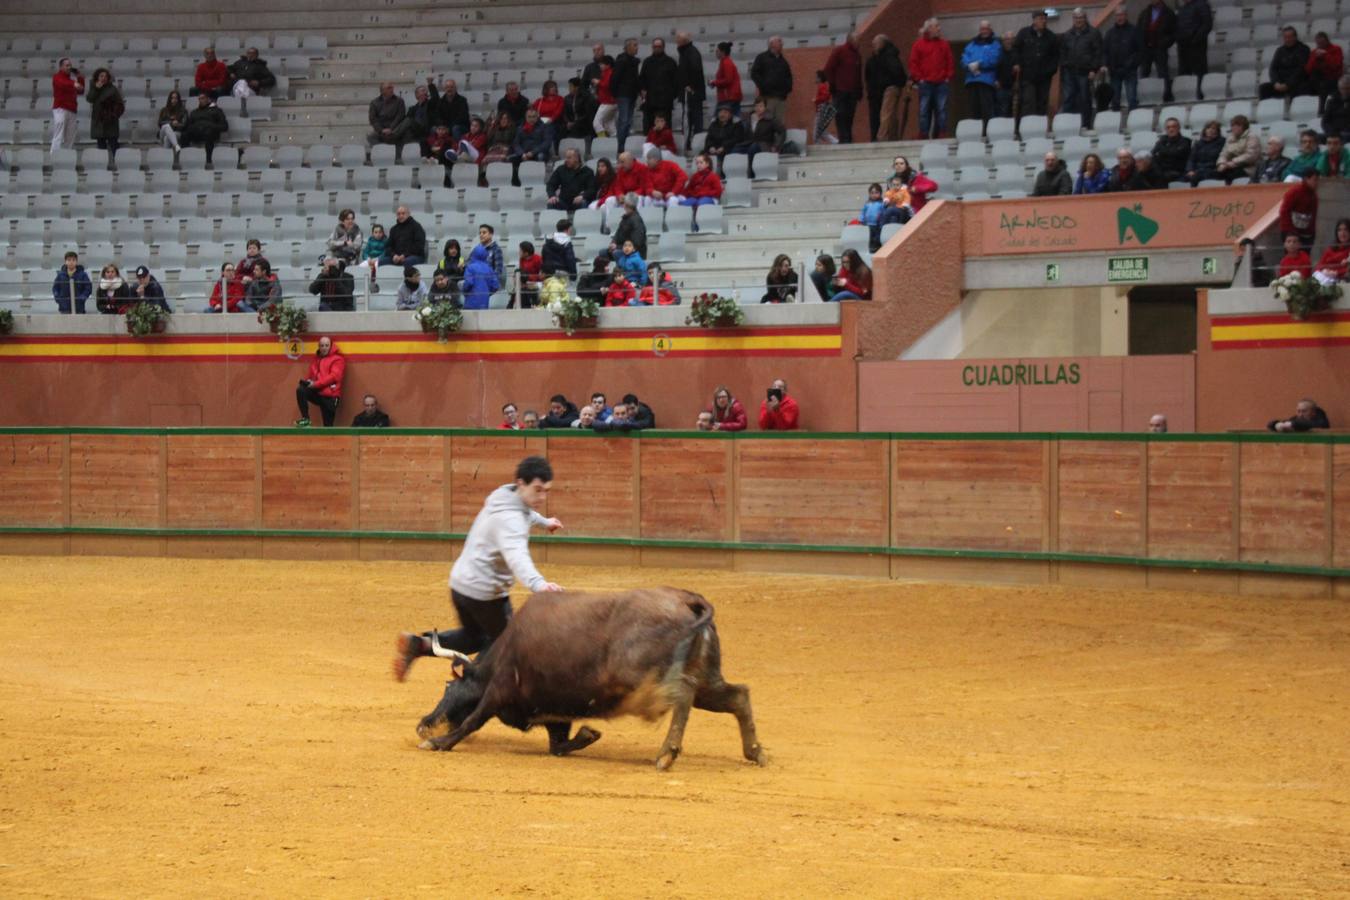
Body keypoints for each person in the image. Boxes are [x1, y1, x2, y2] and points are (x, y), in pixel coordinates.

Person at [392, 454, 564, 680]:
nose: (541, 496)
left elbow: (526, 512)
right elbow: (517, 556)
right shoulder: (511, 520)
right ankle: (470, 686)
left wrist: (545, 522)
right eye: (538, 489)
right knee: (508, 644)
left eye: (546, 491)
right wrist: (538, 584)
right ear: (521, 484)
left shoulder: (504, 496)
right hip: (485, 595)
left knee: (474, 637)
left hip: (460, 586)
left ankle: (420, 644)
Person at [1059, 8, 1103, 130]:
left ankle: (1085, 124)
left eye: (1081, 18)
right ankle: (1066, 125)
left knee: (1085, 99)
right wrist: (1065, 64)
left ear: (1085, 18)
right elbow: (1062, 52)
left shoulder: (1094, 33)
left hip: (1086, 72)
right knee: (1068, 98)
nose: (1078, 20)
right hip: (1069, 72)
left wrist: (1094, 69)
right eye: (1076, 18)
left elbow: (1098, 53)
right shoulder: (1067, 35)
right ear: (1073, 19)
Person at [1012, 10, 1060, 118]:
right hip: (1027, 76)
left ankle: (1040, 126)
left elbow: (1055, 56)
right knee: (1028, 101)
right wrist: (1017, 63)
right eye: (1041, 19)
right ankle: (1027, 127)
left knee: (1042, 102)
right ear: (1034, 20)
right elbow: (1015, 49)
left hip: (1044, 77)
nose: (1043, 21)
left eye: (1044, 19)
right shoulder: (1024, 33)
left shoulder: (1051, 37)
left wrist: (1051, 70)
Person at [961, 21, 1002, 137]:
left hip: (986, 81)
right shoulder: (971, 44)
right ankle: (975, 133)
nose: (984, 31)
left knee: (987, 109)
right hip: (971, 81)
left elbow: (994, 59)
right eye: (982, 29)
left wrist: (979, 64)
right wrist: (969, 65)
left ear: (990, 29)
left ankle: (988, 132)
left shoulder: (995, 44)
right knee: (974, 110)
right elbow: (964, 58)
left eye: (986, 29)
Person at [294, 336, 345, 428]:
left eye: (326, 345)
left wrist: (315, 384)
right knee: (301, 390)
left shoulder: (338, 359)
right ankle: (306, 419)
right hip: (318, 393)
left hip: (331, 397)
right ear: (319, 347)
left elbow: (334, 377)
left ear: (331, 346)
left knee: (328, 427)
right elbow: (311, 375)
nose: (324, 348)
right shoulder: (316, 359)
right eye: (322, 345)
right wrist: (308, 382)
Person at [866, 34, 907, 142]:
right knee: (891, 115)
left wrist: (891, 82)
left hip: (890, 88)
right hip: (889, 88)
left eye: (875, 44)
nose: (873, 46)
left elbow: (896, 71)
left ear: (882, 43)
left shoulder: (887, 56)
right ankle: (893, 137)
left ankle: (881, 137)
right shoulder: (889, 55)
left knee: (886, 114)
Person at [823, 31, 863, 143]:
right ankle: (843, 138)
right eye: (857, 40)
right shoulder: (839, 51)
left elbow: (858, 74)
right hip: (840, 90)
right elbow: (828, 68)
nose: (859, 43)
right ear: (850, 40)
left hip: (853, 91)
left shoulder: (857, 55)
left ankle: (848, 138)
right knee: (841, 115)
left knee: (850, 116)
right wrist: (833, 84)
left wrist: (860, 89)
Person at [1102, 7, 1142, 112]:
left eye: (1122, 15)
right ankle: (1116, 124)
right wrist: (1105, 64)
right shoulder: (1109, 33)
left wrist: (1133, 63)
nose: (1120, 17)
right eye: (1117, 15)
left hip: (1130, 71)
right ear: (1115, 17)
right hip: (1114, 71)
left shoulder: (1134, 31)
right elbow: (1105, 51)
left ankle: (1134, 121)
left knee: (1132, 98)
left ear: (1126, 15)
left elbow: (1140, 51)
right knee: (1115, 100)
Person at [1137, 0, 1177, 103]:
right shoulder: (1145, 13)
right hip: (1146, 49)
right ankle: (1142, 96)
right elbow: (1139, 30)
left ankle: (1166, 96)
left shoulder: (1169, 13)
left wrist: (1164, 43)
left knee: (1163, 73)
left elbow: (1173, 32)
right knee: (1144, 72)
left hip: (1160, 48)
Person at [733, 98, 784, 178]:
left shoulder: (770, 119)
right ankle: (735, 175)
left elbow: (782, 132)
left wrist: (776, 146)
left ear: (765, 107)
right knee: (735, 150)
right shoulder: (749, 118)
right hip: (750, 142)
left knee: (753, 148)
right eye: (756, 106)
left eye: (760, 106)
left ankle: (751, 174)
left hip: (764, 144)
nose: (758, 108)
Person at [639, 37, 680, 131]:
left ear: (663, 47)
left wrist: (671, 95)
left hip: (665, 102)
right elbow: (642, 79)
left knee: (665, 128)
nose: (657, 48)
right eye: (655, 46)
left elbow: (676, 81)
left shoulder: (671, 62)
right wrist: (643, 90)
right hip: (650, 101)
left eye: (659, 46)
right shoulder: (647, 62)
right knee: (649, 127)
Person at [751, 36, 793, 126]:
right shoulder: (761, 58)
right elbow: (754, 73)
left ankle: (778, 140)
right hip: (767, 98)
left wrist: (787, 89)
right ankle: (766, 140)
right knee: (766, 123)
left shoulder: (783, 61)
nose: (782, 44)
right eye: (779, 42)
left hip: (781, 99)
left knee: (779, 124)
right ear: (771, 44)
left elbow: (789, 77)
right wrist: (763, 87)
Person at [1261, 27, 1312, 101]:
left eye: (1289, 37)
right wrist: (1276, 82)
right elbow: (1273, 68)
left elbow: (1301, 70)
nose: (1287, 40)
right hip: (1281, 83)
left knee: (1303, 87)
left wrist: (1288, 84)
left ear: (1295, 37)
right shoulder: (1280, 51)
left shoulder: (1304, 49)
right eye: (1285, 37)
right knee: (1263, 88)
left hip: (1297, 83)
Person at [1175, 0, 1212, 100]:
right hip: (1183, 46)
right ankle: (1185, 96)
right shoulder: (1183, 8)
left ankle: (1200, 96)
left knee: (1199, 72)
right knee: (1184, 72)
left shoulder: (1202, 5)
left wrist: (1195, 39)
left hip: (1197, 45)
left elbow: (1207, 24)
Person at [675, 32, 705, 146]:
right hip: (688, 92)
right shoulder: (685, 52)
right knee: (688, 119)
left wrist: (691, 86)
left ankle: (697, 144)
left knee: (694, 119)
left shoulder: (691, 52)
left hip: (692, 93)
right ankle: (688, 143)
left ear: (684, 41)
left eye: (678, 39)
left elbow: (696, 70)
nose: (676, 41)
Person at [50, 58, 85, 154]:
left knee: (70, 136)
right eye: (67, 65)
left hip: (72, 109)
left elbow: (81, 90)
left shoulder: (72, 80)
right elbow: (62, 84)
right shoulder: (57, 77)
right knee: (59, 134)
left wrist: (80, 77)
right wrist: (75, 83)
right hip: (60, 108)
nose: (69, 67)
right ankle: (54, 156)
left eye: (70, 65)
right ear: (61, 67)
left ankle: (66, 157)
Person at [612, 38, 642, 148]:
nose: (637, 47)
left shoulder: (634, 62)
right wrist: (615, 93)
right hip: (623, 94)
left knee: (628, 121)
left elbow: (636, 78)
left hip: (632, 94)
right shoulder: (621, 61)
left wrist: (639, 90)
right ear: (628, 47)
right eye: (634, 45)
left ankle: (625, 144)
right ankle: (620, 146)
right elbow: (615, 78)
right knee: (624, 120)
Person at [181, 93, 228, 164]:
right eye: (199, 99)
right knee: (184, 134)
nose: (200, 100)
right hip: (197, 132)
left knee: (209, 133)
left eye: (202, 98)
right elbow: (188, 126)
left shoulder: (217, 110)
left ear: (208, 99)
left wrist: (210, 125)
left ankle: (208, 160)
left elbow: (224, 126)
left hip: (210, 132)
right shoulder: (194, 112)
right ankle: (185, 159)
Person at [85, 67, 123, 153]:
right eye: (101, 76)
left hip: (111, 121)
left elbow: (120, 104)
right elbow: (90, 99)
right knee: (101, 147)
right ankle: (103, 164)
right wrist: (96, 88)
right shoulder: (93, 87)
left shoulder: (112, 89)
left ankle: (115, 163)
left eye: (105, 76)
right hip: (99, 121)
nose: (103, 78)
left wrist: (113, 114)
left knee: (114, 145)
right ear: (97, 77)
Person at [1280, 170, 1319, 248]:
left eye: (1318, 180)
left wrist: (1312, 233)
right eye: (1314, 179)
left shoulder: (1314, 196)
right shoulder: (1294, 192)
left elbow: (1313, 215)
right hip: (1291, 233)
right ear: (1306, 179)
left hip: (1306, 234)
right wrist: (1290, 232)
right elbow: (1284, 211)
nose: (1317, 183)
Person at [1217, 114, 1260, 184]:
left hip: (1248, 168)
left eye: (1237, 126)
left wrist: (1233, 162)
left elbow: (1251, 156)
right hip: (1230, 167)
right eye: (1232, 126)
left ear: (1243, 127)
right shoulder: (1230, 138)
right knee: (1216, 174)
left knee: (1229, 175)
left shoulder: (1252, 137)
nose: (1233, 128)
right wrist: (1221, 163)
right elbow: (1223, 153)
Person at [367, 82, 409, 148]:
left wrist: (391, 128)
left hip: (395, 129)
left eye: (392, 87)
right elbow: (373, 119)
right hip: (381, 130)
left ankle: (397, 155)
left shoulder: (399, 101)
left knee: (406, 133)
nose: (392, 89)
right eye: (389, 88)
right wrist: (381, 130)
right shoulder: (374, 102)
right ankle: (382, 152)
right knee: (370, 136)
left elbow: (400, 116)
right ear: (382, 91)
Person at [709, 41, 743, 119]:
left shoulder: (726, 63)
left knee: (718, 119)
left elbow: (728, 80)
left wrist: (714, 82)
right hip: (732, 96)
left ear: (722, 52)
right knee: (735, 119)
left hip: (728, 97)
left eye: (717, 51)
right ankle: (741, 130)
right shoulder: (725, 62)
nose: (715, 53)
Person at [1151, 117, 1191, 183]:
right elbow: (1153, 154)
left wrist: (1162, 152)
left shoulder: (1186, 141)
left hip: (1178, 172)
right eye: (1168, 127)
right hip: (1162, 172)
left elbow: (1175, 154)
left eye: (1173, 127)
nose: (1171, 129)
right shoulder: (1161, 141)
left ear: (1179, 128)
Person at [461, 244, 500, 310]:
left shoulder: (470, 267)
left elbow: (468, 283)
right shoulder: (489, 269)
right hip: (484, 303)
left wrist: (464, 292)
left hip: (470, 303)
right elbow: (495, 286)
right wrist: (487, 293)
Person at [1185, 119, 1224, 186]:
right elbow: (1191, 159)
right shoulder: (1198, 144)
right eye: (1208, 128)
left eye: (1213, 128)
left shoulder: (1222, 142)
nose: (1210, 130)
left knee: (1196, 177)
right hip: (1198, 170)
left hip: (1212, 170)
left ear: (1217, 131)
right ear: (1205, 130)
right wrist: (1190, 170)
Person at [561, 76, 597, 142]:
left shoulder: (586, 97)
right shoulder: (567, 98)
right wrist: (568, 122)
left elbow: (588, 114)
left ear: (577, 87)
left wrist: (575, 122)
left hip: (583, 123)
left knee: (576, 128)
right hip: (571, 122)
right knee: (560, 128)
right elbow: (565, 113)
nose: (569, 88)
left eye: (571, 86)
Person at [591, 55, 617, 137]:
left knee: (596, 123)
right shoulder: (606, 73)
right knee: (609, 124)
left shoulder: (609, 73)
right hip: (610, 102)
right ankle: (615, 142)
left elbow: (608, 85)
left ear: (608, 65)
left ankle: (603, 141)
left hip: (608, 103)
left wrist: (598, 82)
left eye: (602, 64)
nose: (600, 65)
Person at [995, 30, 1017, 116]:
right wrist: (995, 80)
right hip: (1001, 87)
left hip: (1014, 87)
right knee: (1002, 111)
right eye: (1007, 39)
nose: (1009, 41)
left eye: (1011, 39)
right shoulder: (998, 53)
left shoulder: (1017, 53)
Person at [1323, 75, 1350, 143]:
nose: (1344, 91)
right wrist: (1332, 132)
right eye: (1342, 88)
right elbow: (1325, 121)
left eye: (1347, 88)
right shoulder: (1332, 100)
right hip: (1334, 133)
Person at [813, 70, 837, 144]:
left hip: (821, 110)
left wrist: (816, 99)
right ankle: (835, 141)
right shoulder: (823, 86)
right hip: (820, 110)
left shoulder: (822, 86)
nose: (815, 79)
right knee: (821, 130)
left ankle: (819, 144)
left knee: (817, 130)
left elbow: (826, 96)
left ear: (820, 78)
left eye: (816, 77)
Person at [517, 241, 543, 308]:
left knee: (530, 289)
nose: (519, 252)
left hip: (536, 283)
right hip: (526, 283)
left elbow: (542, 274)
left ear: (526, 253)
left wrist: (530, 278)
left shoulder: (538, 259)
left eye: (520, 250)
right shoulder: (521, 260)